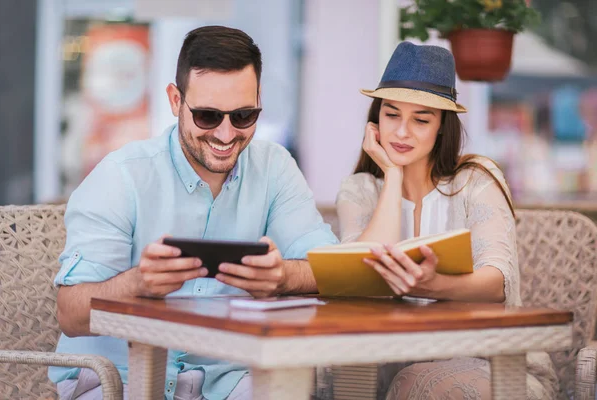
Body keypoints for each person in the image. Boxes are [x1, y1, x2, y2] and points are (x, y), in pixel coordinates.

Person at [50, 25, 337, 400]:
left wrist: (283, 276)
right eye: (207, 116)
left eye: (243, 115)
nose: (225, 134)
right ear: (175, 100)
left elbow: (330, 268)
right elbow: (70, 314)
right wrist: (139, 283)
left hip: (227, 377)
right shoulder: (121, 175)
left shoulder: (275, 168)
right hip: (118, 379)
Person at [335, 42, 558, 399]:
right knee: (347, 382)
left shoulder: (476, 180)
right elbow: (361, 280)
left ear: (441, 126)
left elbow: (498, 282)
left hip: (493, 363)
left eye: (421, 119)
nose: (402, 132)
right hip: (388, 362)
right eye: (391, 115)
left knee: (414, 385)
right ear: (376, 120)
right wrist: (392, 175)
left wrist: (431, 285)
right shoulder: (359, 190)